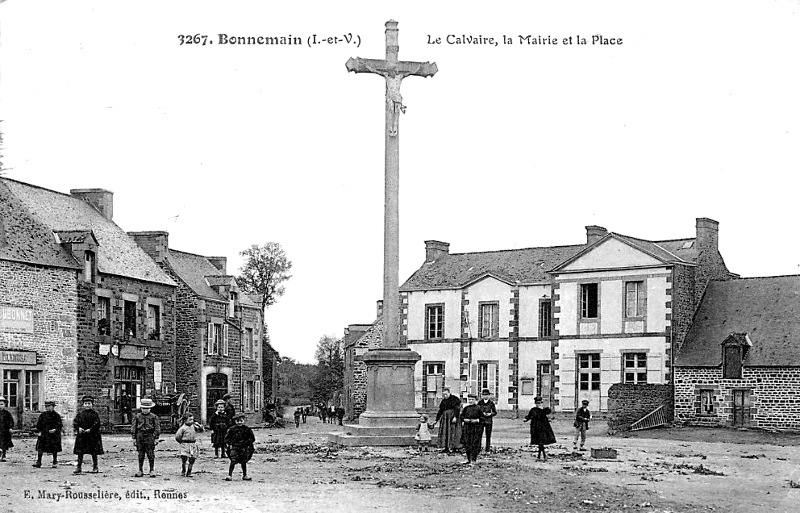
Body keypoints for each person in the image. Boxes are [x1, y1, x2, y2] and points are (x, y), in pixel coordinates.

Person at [72, 395, 104, 474]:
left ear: (92, 404)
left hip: (92, 436)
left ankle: (95, 467)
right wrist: (78, 428)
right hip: (82, 436)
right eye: (86, 403)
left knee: (94, 452)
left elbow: (97, 423)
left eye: (89, 403)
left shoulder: (95, 414)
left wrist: (90, 429)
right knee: (80, 452)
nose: (87, 405)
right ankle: (78, 467)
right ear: (83, 405)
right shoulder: (80, 414)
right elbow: (75, 422)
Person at [131, 397, 161, 477]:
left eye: (147, 408)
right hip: (140, 435)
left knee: (150, 453)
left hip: (150, 435)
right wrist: (134, 438)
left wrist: (156, 437)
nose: (145, 410)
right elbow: (134, 427)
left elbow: (157, 427)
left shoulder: (154, 417)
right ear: (141, 408)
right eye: (143, 408)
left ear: (150, 408)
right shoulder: (137, 416)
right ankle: (140, 470)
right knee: (141, 453)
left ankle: (151, 470)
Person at [524, 396, 556, 461]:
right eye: (537, 403)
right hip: (535, 428)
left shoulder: (543, 410)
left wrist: (542, 408)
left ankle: (542, 456)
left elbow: (548, 411)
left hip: (543, 428)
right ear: (535, 403)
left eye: (539, 403)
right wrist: (526, 419)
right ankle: (542, 456)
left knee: (541, 442)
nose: (538, 404)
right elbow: (530, 416)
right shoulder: (533, 410)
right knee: (540, 443)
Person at [224, 413, 255, 481]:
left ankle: (245, 475)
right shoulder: (232, 429)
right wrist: (229, 444)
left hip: (244, 447)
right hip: (235, 447)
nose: (239, 422)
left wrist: (247, 443)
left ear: (244, 420)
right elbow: (227, 438)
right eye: (237, 421)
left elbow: (252, 438)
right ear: (235, 421)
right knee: (233, 460)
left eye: (241, 421)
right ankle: (229, 475)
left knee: (243, 461)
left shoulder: (247, 429)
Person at [33, 400, 62, 468]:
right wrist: (39, 431)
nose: (48, 408)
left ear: (53, 407)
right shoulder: (43, 415)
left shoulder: (56, 416)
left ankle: (55, 461)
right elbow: (39, 425)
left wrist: (55, 429)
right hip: (44, 434)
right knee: (40, 448)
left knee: (54, 448)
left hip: (54, 435)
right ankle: (39, 462)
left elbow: (59, 425)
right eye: (46, 406)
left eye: (49, 406)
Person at [174, 412, 203, 477]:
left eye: (192, 419)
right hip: (185, 444)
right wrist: (182, 442)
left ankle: (189, 471)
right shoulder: (182, 428)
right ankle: (183, 470)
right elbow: (177, 437)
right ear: (185, 420)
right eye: (189, 420)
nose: (191, 421)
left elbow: (201, 430)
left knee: (192, 458)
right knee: (184, 458)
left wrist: (200, 426)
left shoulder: (194, 426)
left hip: (193, 444)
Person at [434, 388, 462, 454]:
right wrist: (436, 420)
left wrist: (455, 417)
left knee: (453, 432)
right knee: (445, 432)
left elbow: (457, 409)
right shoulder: (443, 401)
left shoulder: (455, 399)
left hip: (453, 418)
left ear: (449, 393)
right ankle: (446, 447)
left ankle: (455, 447)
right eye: (444, 395)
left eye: (446, 394)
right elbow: (440, 411)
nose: (445, 396)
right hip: (445, 419)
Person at [461, 394, 483, 464]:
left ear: (475, 400)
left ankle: (473, 459)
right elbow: (461, 416)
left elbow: (483, 418)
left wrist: (477, 420)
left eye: (472, 399)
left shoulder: (479, 408)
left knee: (474, 444)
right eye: (469, 399)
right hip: (467, 428)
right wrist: (464, 420)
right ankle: (468, 459)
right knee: (467, 443)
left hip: (475, 428)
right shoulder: (466, 408)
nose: (470, 401)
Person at [477, 388, 497, 453]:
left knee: (488, 436)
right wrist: (482, 414)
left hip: (488, 421)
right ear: (482, 396)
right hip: (481, 421)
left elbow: (495, 412)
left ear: (489, 396)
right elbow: (477, 411)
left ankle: (487, 449)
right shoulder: (480, 402)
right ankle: (478, 449)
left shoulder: (491, 403)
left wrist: (490, 414)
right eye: (484, 395)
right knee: (479, 435)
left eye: (487, 395)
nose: (485, 396)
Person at [0, 396, 14, 462]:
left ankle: (4, 455)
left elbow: (11, 421)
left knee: (4, 443)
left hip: (5, 431)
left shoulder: (7, 413)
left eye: (1, 404)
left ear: (4, 405)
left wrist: (10, 427)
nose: (0, 406)